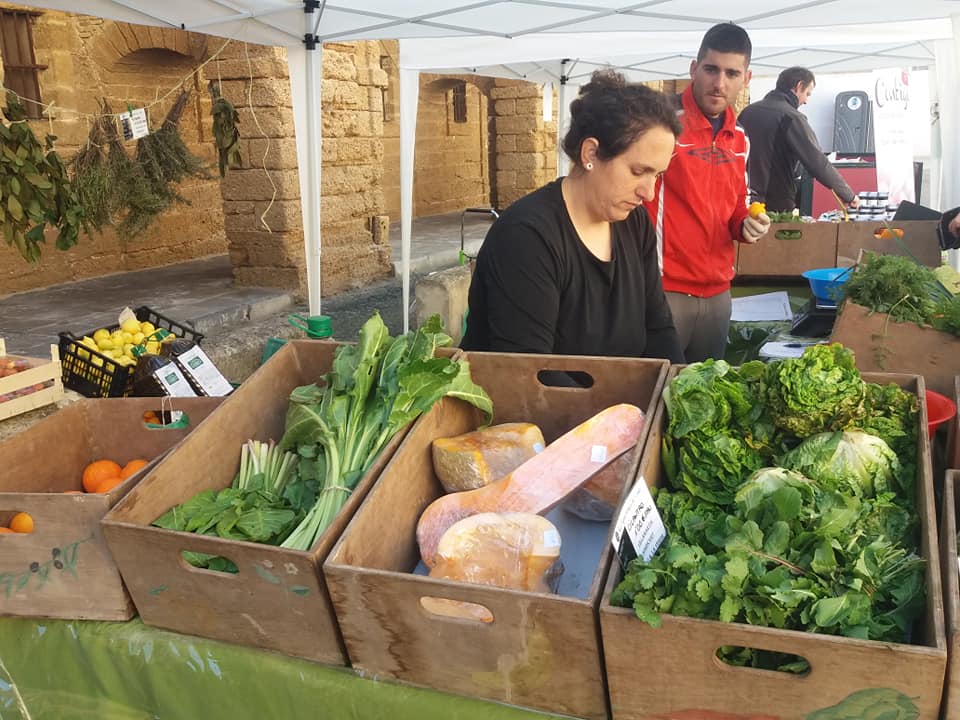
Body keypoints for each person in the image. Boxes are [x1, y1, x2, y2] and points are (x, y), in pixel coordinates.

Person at [460, 70, 684, 363]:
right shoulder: (526, 237)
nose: (649, 193)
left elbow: (658, 328)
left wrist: (676, 385)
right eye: (638, 171)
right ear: (590, 153)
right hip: (534, 406)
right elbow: (531, 372)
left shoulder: (635, 223)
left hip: (622, 404)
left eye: (657, 175)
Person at [643, 22, 770, 363]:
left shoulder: (740, 137)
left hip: (718, 295)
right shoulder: (661, 125)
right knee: (655, 398)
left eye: (732, 73)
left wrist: (747, 224)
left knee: (706, 402)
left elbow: (736, 206)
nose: (720, 83)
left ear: (747, 78)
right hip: (665, 289)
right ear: (694, 68)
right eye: (711, 69)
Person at [738, 66, 859, 214]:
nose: (806, 101)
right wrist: (848, 195)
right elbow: (817, 161)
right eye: (807, 93)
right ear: (799, 86)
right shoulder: (791, 118)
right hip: (775, 205)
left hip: (742, 200)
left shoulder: (747, 112)